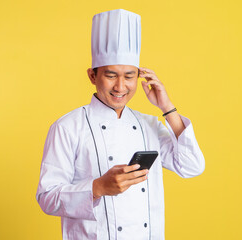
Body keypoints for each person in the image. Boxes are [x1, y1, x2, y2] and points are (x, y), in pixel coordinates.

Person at [36, 9, 205, 240]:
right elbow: (47, 197)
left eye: (129, 76)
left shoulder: (149, 125)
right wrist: (98, 187)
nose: (120, 86)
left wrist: (167, 107)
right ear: (92, 76)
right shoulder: (68, 127)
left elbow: (191, 166)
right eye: (111, 75)